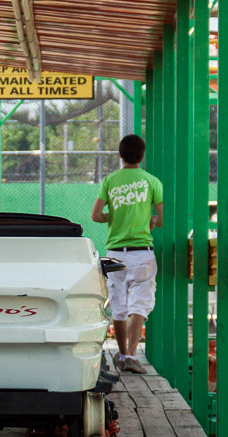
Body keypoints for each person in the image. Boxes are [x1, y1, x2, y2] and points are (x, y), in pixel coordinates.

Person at [91, 134, 163, 375]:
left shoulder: (110, 181)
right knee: (138, 307)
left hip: (115, 255)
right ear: (142, 156)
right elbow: (160, 220)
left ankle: (121, 355)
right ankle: (132, 355)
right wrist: (149, 219)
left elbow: (96, 215)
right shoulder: (152, 182)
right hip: (142, 253)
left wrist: (116, 216)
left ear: (121, 156)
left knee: (119, 308)